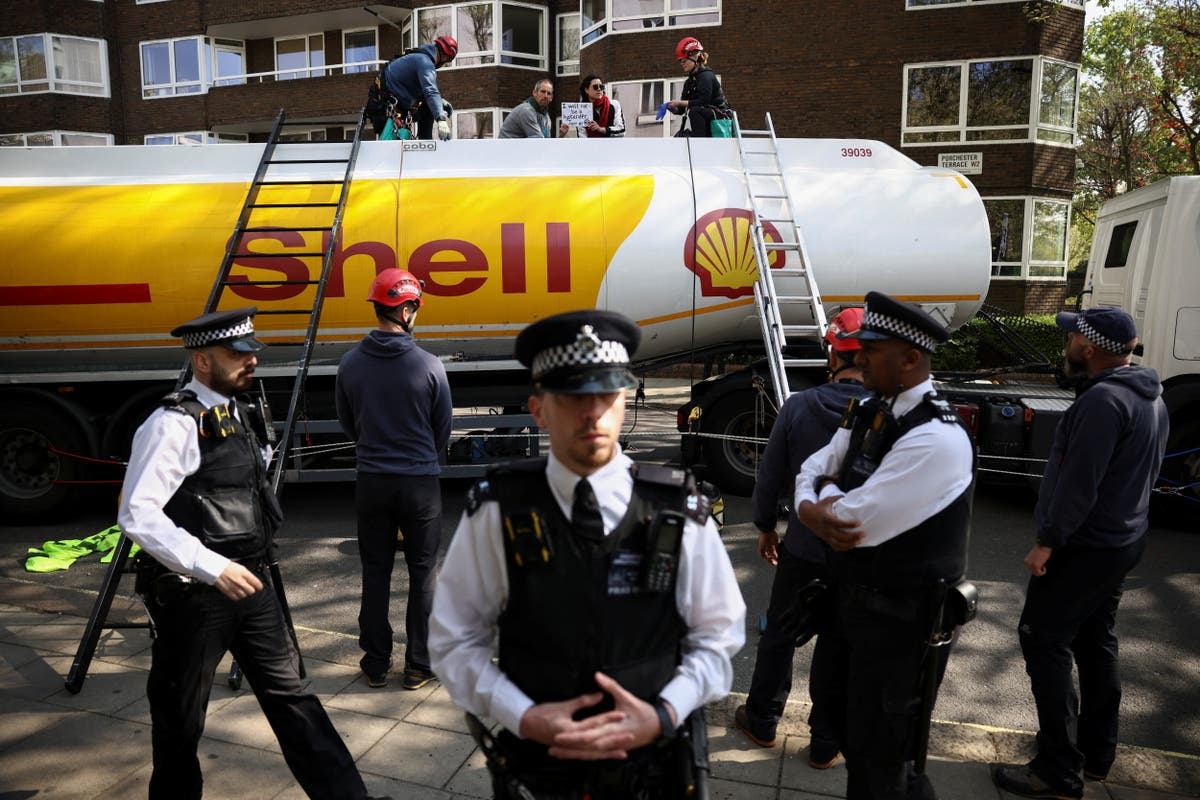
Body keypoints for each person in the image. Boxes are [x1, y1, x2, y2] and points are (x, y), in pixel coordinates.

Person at [428, 309, 746, 799]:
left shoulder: (675, 507)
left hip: (654, 769)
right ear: (539, 410)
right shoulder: (499, 509)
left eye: (607, 394)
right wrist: (524, 716)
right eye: (574, 396)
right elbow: (454, 640)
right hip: (539, 770)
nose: (593, 411)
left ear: (625, 400)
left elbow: (719, 635)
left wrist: (664, 713)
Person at [117, 307, 379, 800]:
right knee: (179, 721)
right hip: (195, 597)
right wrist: (213, 567)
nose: (250, 360)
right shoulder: (171, 425)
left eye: (251, 351)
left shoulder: (239, 411)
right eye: (236, 354)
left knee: (295, 702)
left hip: (252, 586)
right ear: (202, 361)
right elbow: (137, 513)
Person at [795, 291, 976, 800]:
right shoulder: (872, 409)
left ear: (910, 358)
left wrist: (818, 501)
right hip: (853, 612)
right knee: (847, 731)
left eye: (872, 349)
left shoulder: (936, 437)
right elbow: (814, 467)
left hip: (901, 628)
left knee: (885, 762)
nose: (859, 356)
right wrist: (816, 504)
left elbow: (853, 521)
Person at [992, 307, 1170, 800]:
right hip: (1122, 541)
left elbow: (1077, 485)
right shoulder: (1149, 395)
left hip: (1085, 547)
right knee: (1095, 641)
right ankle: (1095, 753)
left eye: (1070, 336)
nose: (1065, 343)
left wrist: (1046, 542)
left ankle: (1057, 768)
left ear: (1087, 348)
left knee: (1042, 639)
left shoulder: (1101, 404)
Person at [735, 308, 869, 769]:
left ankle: (762, 720)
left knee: (780, 632)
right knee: (839, 642)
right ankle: (826, 743)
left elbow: (770, 476)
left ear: (833, 354)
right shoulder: (888, 416)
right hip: (857, 554)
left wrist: (765, 527)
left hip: (804, 547)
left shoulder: (798, 407)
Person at [336, 269, 452, 691]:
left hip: (372, 480)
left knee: (375, 571)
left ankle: (375, 663)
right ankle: (418, 665)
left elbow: (348, 422)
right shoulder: (429, 365)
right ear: (405, 310)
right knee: (423, 573)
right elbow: (442, 429)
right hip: (419, 483)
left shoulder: (350, 363)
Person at [373, 35, 457, 140]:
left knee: (428, 106)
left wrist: (439, 102)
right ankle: (426, 143)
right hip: (385, 106)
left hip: (383, 102)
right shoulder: (425, 62)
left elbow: (420, 91)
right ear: (445, 57)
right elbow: (430, 91)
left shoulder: (418, 57)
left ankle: (425, 142)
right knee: (428, 109)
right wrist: (441, 118)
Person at [666, 37, 731, 138]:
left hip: (721, 120)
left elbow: (704, 101)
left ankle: (700, 142)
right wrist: (670, 107)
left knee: (695, 111)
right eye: (680, 61)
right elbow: (681, 110)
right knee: (680, 136)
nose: (681, 64)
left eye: (684, 60)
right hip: (707, 117)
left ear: (695, 57)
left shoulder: (706, 76)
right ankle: (698, 139)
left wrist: (679, 102)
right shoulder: (689, 82)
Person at [498, 78, 569, 139]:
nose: (545, 96)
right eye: (543, 92)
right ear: (534, 93)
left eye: (549, 93)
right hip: (506, 149)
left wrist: (560, 136)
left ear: (551, 98)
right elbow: (538, 140)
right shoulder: (526, 110)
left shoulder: (546, 116)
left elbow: (546, 143)